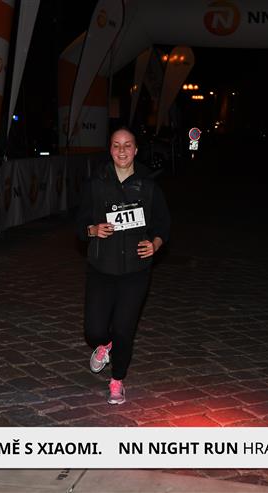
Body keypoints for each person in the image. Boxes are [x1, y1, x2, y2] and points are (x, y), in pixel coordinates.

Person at [76, 126, 171, 404]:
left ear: (136, 150)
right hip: (101, 268)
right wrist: (93, 230)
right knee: (93, 330)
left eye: (127, 145)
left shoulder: (149, 185)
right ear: (110, 150)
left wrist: (155, 244)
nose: (122, 150)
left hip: (135, 271)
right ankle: (104, 345)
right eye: (116, 145)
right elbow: (79, 224)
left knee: (124, 329)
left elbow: (163, 224)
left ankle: (117, 380)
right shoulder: (95, 184)